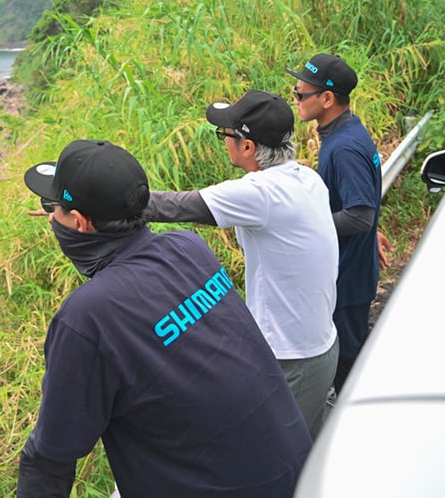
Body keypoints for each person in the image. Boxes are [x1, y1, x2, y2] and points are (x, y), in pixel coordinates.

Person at [17, 139, 311, 498]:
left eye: (54, 208)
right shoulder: (189, 248)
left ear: (79, 222)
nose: (51, 217)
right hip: (296, 471)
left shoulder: (87, 317)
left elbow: (48, 459)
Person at [143, 90, 339, 438]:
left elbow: (175, 206)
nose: (225, 142)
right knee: (309, 450)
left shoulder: (262, 192)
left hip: (291, 357)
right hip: (318, 344)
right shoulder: (307, 178)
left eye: (227, 135)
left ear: (247, 147)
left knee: (280, 462)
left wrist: (95, 202)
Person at [287, 53, 383, 395]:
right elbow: (361, 200)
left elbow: (359, 215)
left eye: (301, 94)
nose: (295, 100)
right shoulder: (348, 132)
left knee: (348, 369)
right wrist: (374, 233)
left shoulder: (343, 148)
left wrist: (305, 226)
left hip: (348, 279)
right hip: (353, 268)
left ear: (327, 99)